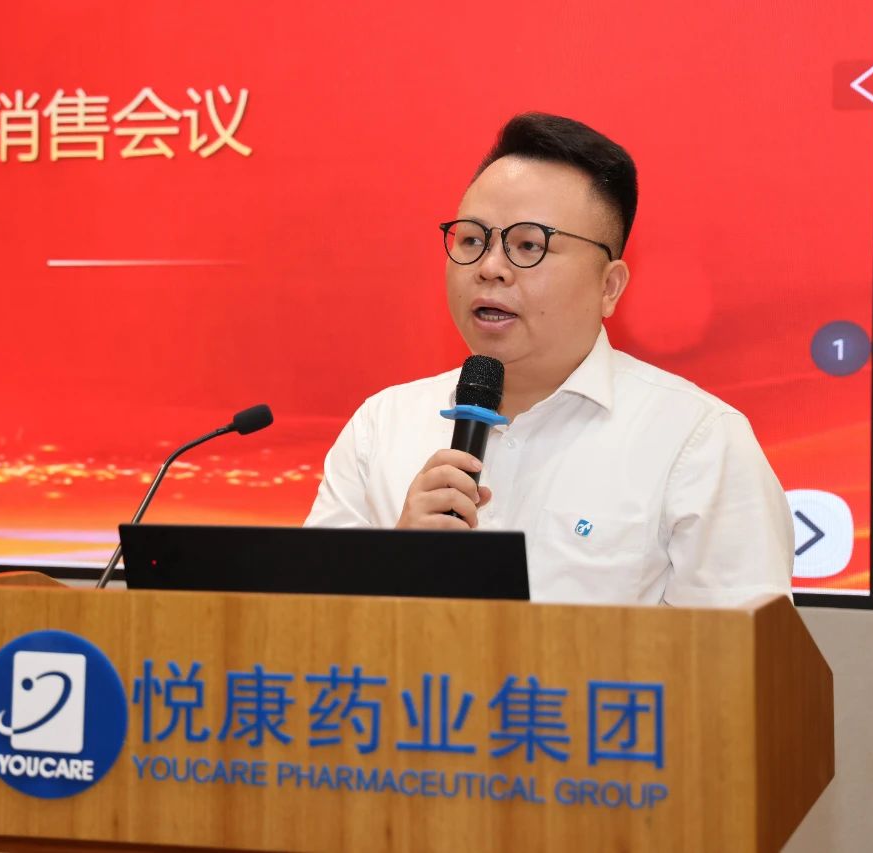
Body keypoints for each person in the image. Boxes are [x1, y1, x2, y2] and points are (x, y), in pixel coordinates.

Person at [304, 112, 793, 607]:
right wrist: (394, 564)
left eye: (529, 246)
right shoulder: (381, 427)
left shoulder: (698, 442)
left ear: (609, 286)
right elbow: (305, 630)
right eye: (472, 239)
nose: (490, 268)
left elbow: (744, 650)